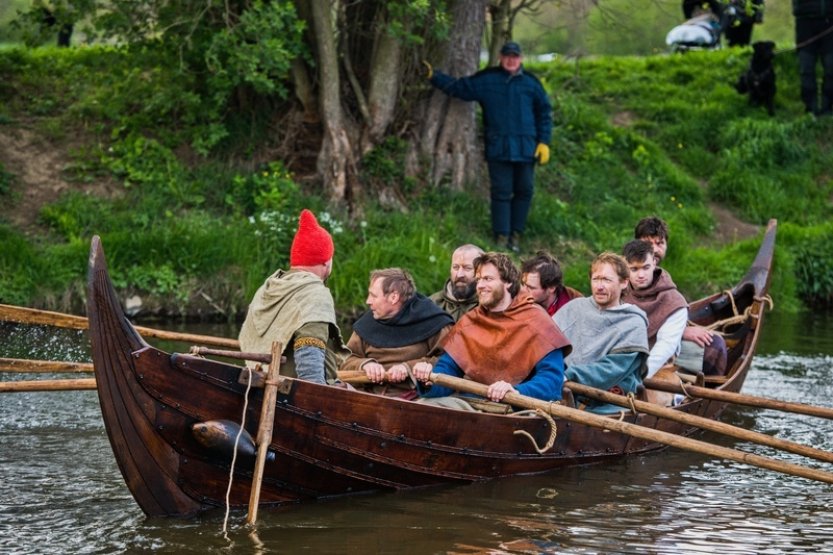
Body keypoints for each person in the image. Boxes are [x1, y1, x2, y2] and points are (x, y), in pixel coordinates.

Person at [426, 41, 553, 252]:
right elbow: (460, 88)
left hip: (526, 149)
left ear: (520, 58)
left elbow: (544, 114)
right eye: (507, 56)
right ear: (501, 58)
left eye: (515, 56)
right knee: (501, 192)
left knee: (525, 190)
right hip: (499, 148)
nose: (511, 60)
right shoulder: (488, 80)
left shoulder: (532, 84)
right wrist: (434, 76)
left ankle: (516, 235)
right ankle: (501, 236)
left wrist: (544, 142)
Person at [412, 252, 570, 409]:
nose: (479, 285)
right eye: (479, 279)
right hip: (471, 404)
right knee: (423, 407)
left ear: (508, 282)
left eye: (488, 279)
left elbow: (551, 380)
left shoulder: (537, 321)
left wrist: (516, 391)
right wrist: (429, 380)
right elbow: (448, 369)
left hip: (517, 409)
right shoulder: (471, 321)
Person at [238, 209, 349, 385]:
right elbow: (309, 354)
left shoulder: (269, 286)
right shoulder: (315, 293)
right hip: (290, 392)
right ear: (326, 262)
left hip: (261, 382)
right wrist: (314, 398)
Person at [554, 252, 649, 414]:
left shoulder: (633, 323)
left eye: (606, 280)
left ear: (624, 282)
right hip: (562, 392)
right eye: (596, 279)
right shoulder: (575, 308)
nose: (599, 286)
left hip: (609, 403)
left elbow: (612, 369)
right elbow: (546, 344)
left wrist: (570, 375)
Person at [634, 216, 728, 375]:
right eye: (648, 244)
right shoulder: (623, 273)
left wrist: (679, 330)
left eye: (659, 243)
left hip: (660, 344)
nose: (655, 250)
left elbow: (665, 311)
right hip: (629, 345)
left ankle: (691, 393)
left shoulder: (664, 282)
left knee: (715, 347)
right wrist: (682, 332)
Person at [340, 268, 454, 397]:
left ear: (394, 297)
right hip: (368, 396)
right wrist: (365, 364)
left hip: (415, 399)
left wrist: (409, 368)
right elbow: (344, 359)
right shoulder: (367, 323)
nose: (368, 301)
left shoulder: (434, 322)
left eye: (373, 296)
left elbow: (451, 363)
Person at [622, 240, 688, 378]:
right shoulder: (618, 292)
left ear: (654, 262)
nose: (641, 275)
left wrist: (638, 377)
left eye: (646, 267)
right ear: (624, 266)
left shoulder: (674, 302)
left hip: (659, 370)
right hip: (617, 364)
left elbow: (665, 347)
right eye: (634, 269)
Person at [792, 0, 833, 115]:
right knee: (806, 68)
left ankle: (827, 107)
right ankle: (811, 108)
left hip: (830, 22)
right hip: (804, 23)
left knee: (831, 67)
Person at [430, 243, 485, 321]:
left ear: (482, 272)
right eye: (455, 267)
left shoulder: (489, 307)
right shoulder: (433, 303)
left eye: (467, 268)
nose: (459, 275)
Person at [520, 250, 583, 316]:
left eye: (531, 288)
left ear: (551, 288)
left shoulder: (577, 309)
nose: (523, 290)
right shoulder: (517, 302)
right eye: (523, 284)